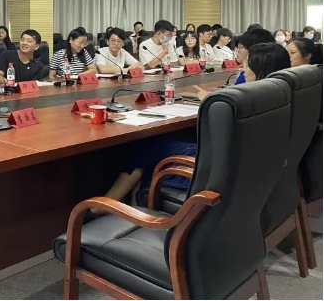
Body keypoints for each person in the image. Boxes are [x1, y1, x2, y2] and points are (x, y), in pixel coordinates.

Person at [98, 43, 292, 210]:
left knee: (148, 146)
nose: (242, 68)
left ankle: (106, 207)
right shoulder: (279, 94)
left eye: (247, 64)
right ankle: (119, 203)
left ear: (261, 69)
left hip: (217, 171)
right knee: (154, 145)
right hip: (240, 168)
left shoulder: (250, 100)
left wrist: (211, 101)